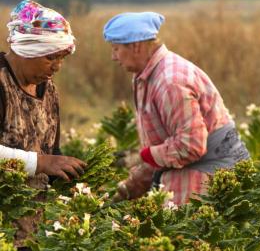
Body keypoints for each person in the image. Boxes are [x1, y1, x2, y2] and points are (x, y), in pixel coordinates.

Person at [0, 0, 86, 251]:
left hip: (26, 228)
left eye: (61, 58)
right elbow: (42, 158)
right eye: (51, 57)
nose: (56, 67)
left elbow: (53, 151)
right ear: (26, 48)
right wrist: (39, 163)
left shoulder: (49, 93)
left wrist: (70, 177)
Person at [103, 11, 249, 205]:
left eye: (116, 49)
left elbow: (190, 146)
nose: (113, 57)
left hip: (211, 174)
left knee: (184, 232)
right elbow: (163, 148)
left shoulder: (170, 81)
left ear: (136, 46)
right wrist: (130, 188)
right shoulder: (146, 76)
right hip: (191, 168)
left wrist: (140, 157)